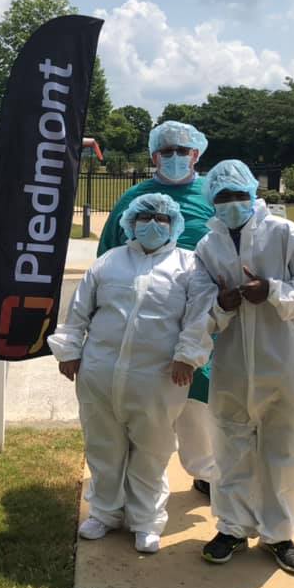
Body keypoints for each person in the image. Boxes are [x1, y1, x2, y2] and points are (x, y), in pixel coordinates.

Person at [49, 193, 216, 554]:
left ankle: (145, 521)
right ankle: (104, 513)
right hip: (100, 373)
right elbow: (79, 310)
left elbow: (200, 316)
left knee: (151, 452)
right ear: (131, 221)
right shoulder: (109, 262)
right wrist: (69, 350)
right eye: (146, 216)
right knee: (103, 447)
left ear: (174, 224)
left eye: (162, 218)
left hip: (157, 377)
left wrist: (188, 355)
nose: (153, 224)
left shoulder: (189, 266)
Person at [194, 159, 294, 574]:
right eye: (223, 197)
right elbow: (199, 304)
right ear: (212, 201)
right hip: (233, 363)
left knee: (286, 446)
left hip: (283, 361)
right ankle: (233, 528)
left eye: (240, 195)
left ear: (253, 195)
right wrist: (221, 306)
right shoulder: (208, 247)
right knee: (229, 447)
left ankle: (279, 534)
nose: (233, 203)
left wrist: (273, 291)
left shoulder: (283, 233)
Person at [97, 121, 217, 496]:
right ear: (154, 156)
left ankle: (207, 473)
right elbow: (108, 256)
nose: (176, 157)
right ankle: (138, 485)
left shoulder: (213, 196)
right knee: (145, 405)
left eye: (184, 151)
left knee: (199, 400)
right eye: (168, 151)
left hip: (203, 318)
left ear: (197, 154)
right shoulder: (135, 199)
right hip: (145, 321)